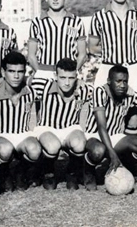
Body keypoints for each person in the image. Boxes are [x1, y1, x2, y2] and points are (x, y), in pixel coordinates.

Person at [88, 0, 137, 134]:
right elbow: (92, 46)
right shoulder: (99, 17)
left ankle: (129, 156)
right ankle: (106, 152)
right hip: (109, 67)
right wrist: (110, 49)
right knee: (104, 111)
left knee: (134, 113)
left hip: (134, 67)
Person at [84, 65, 137, 191]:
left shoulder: (129, 94)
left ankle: (126, 168)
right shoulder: (100, 92)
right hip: (95, 135)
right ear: (109, 81)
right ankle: (88, 171)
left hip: (115, 136)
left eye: (125, 81)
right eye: (118, 81)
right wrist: (113, 155)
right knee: (98, 151)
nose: (122, 85)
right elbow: (101, 127)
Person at [31, 58, 93, 190]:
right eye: (62, 77)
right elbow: (19, 81)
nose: (66, 83)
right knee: (53, 146)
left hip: (70, 127)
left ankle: (72, 173)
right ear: (55, 76)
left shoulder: (83, 89)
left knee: (80, 143)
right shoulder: (43, 86)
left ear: (76, 77)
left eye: (71, 78)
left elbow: (102, 92)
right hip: (47, 127)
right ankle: (48, 172)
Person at [0, 51, 41, 192]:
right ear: (3, 72)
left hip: (22, 135)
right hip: (1, 135)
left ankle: (20, 169)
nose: (16, 76)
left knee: (35, 151)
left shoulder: (31, 90)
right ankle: (4, 173)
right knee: (5, 150)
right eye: (11, 71)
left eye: (20, 71)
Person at [28, 0, 87, 80]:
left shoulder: (76, 22)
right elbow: (31, 55)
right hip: (45, 72)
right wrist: (40, 73)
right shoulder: (37, 22)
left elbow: (82, 54)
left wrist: (72, 73)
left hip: (67, 75)